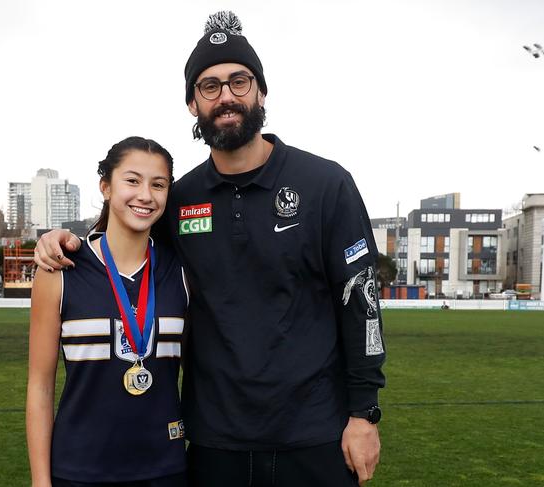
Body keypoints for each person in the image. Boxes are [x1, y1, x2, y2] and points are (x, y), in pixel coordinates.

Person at [34, 12, 386, 487]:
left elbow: (361, 299)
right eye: (209, 86)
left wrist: (364, 414)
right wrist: (61, 239)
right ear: (192, 105)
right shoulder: (179, 198)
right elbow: (125, 243)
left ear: (261, 92)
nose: (226, 97)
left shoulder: (325, 184)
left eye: (239, 82)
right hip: (213, 442)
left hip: (315, 435)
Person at [26, 136, 188, 487]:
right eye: (132, 180)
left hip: (165, 470)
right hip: (78, 471)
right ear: (105, 187)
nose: (145, 194)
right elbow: (39, 386)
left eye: (158, 184)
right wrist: (41, 482)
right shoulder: (60, 269)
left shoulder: (182, 272)